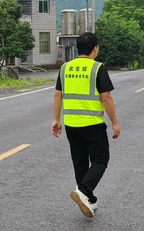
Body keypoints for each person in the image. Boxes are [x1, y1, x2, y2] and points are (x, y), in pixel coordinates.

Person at [51, 32, 120, 218]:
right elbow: (106, 97)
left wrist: (56, 119)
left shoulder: (65, 67)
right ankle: (83, 190)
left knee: (80, 162)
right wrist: (114, 122)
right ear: (95, 48)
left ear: (77, 48)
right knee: (100, 160)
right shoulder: (97, 68)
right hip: (92, 123)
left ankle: (88, 198)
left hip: (72, 123)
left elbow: (58, 94)